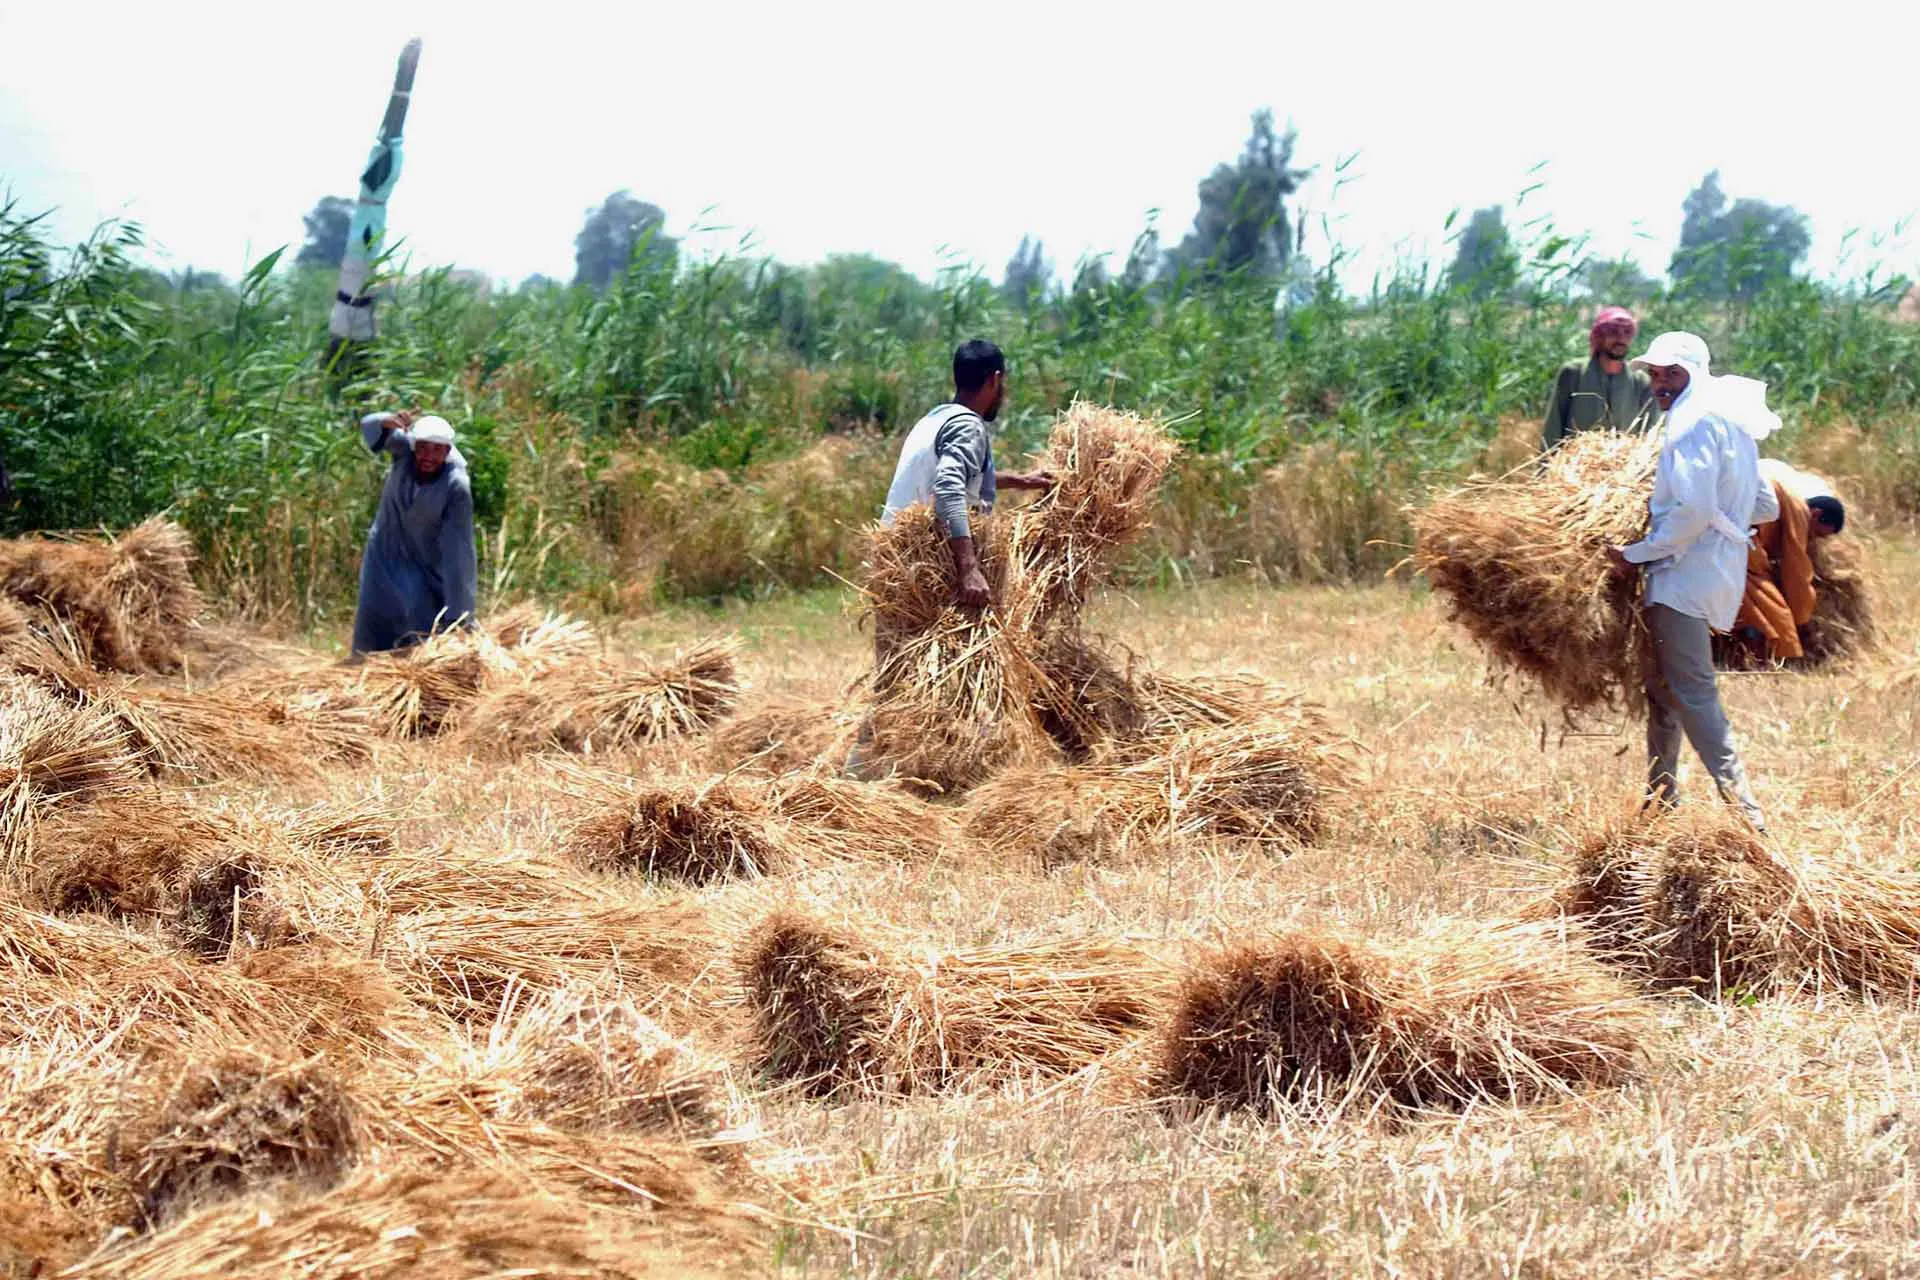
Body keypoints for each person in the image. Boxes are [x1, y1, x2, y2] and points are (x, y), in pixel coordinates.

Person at [1607, 332, 1778, 831]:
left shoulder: (1692, 425)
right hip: (1716, 573)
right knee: (1664, 690)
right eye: (1655, 375)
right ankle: (1660, 803)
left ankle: (1749, 818)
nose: (1660, 384)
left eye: (1671, 374)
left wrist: (1635, 554)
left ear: (1694, 376)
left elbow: (1694, 510)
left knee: (1694, 692)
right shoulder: (1731, 423)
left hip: (1682, 577)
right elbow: (1764, 505)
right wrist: (1726, 522)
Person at [881, 339, 1054, 607]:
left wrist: (1023, 481)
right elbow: (949, 486)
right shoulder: (967, 426)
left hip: (897, 564)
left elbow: (955, 475)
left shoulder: (935, 418)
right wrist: (969, 568)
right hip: (930, 568)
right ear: (995, 380)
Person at [349, 408, 478, 656]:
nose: (428, 456)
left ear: (447, 452)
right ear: (414, 446)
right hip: (382, 555)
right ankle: (362, 671)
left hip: (421, 564)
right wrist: (387, 420)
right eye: (423, 448)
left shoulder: (455, 487)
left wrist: (461, 617)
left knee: (417, 629)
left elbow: (459, 553)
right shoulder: (404, 455)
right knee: (372, 619)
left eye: (436, 450)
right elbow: (369, 426)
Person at [1731, 460, 1846, 663]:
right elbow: (1796, 570)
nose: (1811, 539)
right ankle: (1757, 663)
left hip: (1734, 543)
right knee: (1774, 610)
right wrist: (1802, 615)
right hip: (1736, 547)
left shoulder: (1786, 499)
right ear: (1816, 514)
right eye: (1816, 533)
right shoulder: (1798, 509)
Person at [1543, 305, 1659, 451]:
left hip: (1624, 468)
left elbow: (1649, 435)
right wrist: (1544, 469)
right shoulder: (1573, 373)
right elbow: (1553, 425)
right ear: (1599, 336)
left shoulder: (1642, 383)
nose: (1621, 338)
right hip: (1576, 466)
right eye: (1613, 331)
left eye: (1627, 332)